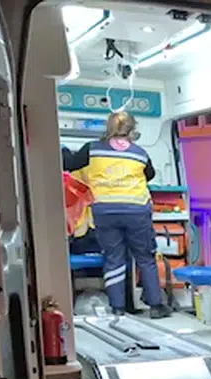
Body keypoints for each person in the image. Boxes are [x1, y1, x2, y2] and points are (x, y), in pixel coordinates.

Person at [62, 111, 169, 318]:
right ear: (132, 130)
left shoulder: (92, 149)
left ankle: (117, 308)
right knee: (145, 257)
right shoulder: (140, 153)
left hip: (105, 210)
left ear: (108, 128)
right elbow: (150, 175)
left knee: (113, 258)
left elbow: (70, 164)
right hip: (136, 210)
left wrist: (64, 151)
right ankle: (156, 306)